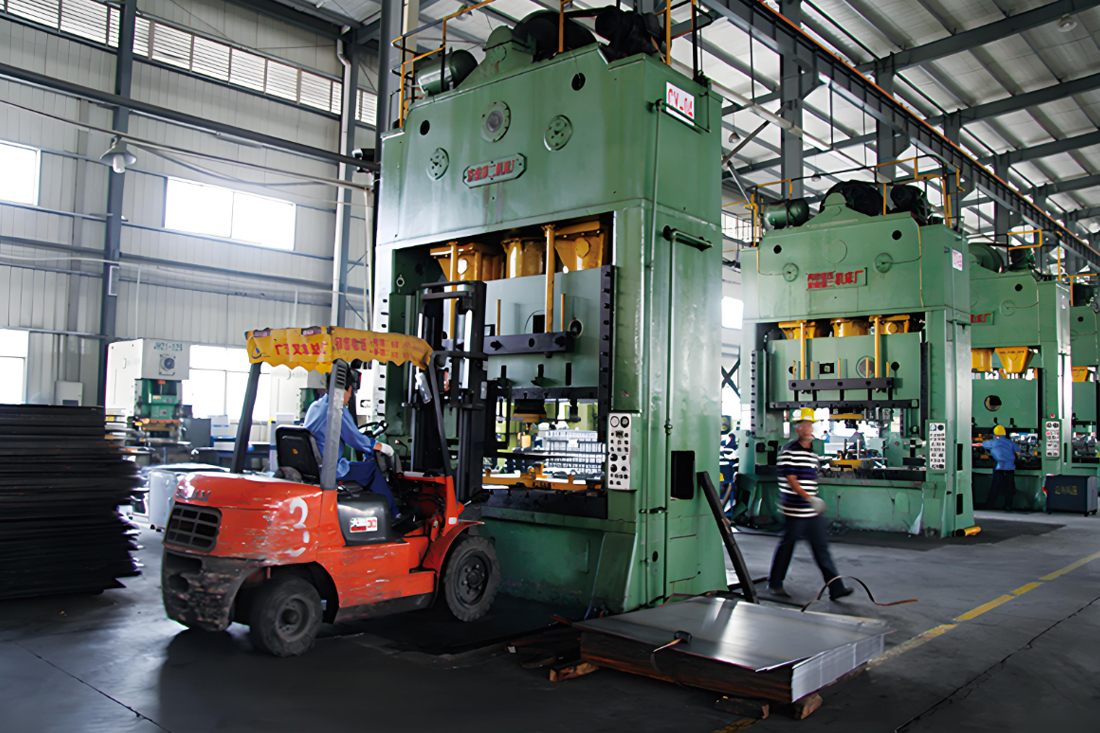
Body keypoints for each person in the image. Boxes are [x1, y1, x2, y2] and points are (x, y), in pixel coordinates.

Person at [768, 408, 853, 600]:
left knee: (821, 548)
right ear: (796, 428)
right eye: (803, 425)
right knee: (787, 547)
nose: (807, 428)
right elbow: (791, 480)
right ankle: (775, 584)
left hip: (811, 511)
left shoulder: (812, 455)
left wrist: (813, 500)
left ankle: (836, 588)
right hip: (794, 510)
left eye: (809, 424)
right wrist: (809, 498)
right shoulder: (789, 452)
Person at [304, 374, 399, 517]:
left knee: (356, 466)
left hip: (315, 466)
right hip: (330, 469)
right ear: (347, 389)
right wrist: (383, 447)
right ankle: (393, 514)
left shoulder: (315, 406)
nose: (349, 397)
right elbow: (355, 439)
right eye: (350, 392)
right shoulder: (336, 410)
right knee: (372, 469)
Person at [982, 425, 1019, 510]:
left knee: (995, 486)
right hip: (1010, 467)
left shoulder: (993, 442)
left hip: (999, 467)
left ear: (995, 435)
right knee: (1009, 486)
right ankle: (1008, 505)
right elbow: (1017, 452)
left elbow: (980, 444)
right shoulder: (1010, 442)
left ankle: (990, 505)